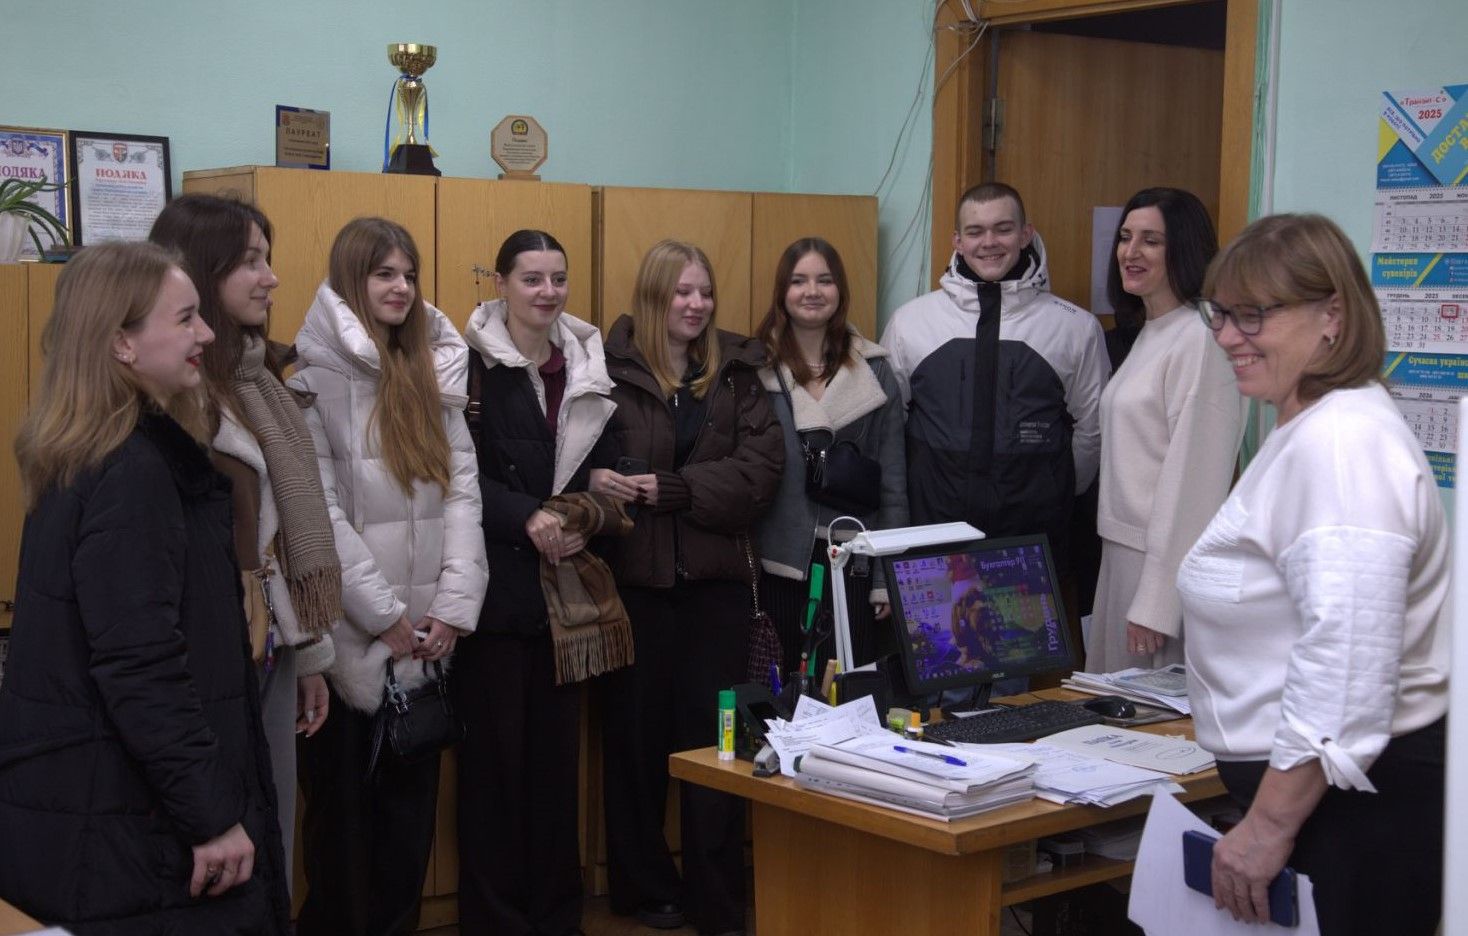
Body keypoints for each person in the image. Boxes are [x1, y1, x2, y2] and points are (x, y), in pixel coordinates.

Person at [0, 242, 289, 934]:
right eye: (185, 318)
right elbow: (141, 666)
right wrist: (212, 815)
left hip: (109, 812)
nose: (207, 334)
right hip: (136, 831)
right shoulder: (132, 472)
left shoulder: (91, 450)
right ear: (120, 343)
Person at [1177, 214, 1447, 935]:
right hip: (1325, 803)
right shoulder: (1308, 425)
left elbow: (1346, 661)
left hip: (1349, 812)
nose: (1227, 336)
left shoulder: (1342, 443)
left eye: (1253, 315)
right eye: (1220, 313)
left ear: (1333, 316)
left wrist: (1268, 827)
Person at [289, 217, 488, 936]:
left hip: (426, 650)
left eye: (408, 274)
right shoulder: (309, 383)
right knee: (342, 844)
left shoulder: (433, 376)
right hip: (347, 649)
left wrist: (453, 608)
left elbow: (463, 497)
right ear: (352, 280)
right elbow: (317, 516)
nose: (401, 287)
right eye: (384, 274)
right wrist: (383, 616)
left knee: (407, 842)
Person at [593, 240, 783, 936]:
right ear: (654, 296)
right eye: (682, 292)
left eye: (704, 292)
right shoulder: (605, 370)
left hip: (715, 592)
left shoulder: (736, 376)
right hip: (634, 589)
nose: (696, 304)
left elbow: (761, 475)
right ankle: (644, 886)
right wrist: (600, 479)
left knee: (718, 747)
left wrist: (674, 489)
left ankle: (716, 897)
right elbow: (581, 460)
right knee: (633, 745)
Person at [149, 194, 340, 883]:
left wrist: (310, 654)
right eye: (251, 262)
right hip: (205, 653)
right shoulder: (176, 393)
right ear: (204, 271)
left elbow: (280, 536)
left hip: (269, 644)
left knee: (270, 837)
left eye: (268, 258)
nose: (271, 277)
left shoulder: (258, 378)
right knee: (220, 843)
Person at [456, 229, 619, 935]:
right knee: (493, 775)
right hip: (492, 597)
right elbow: (454, 475)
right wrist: (526, 514)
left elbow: (607, 467)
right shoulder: (468, 368)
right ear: (499, 284)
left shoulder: (586, 368)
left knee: (556, 774)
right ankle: (495, 922)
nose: (547, 292)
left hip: (565, 603)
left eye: (558, 278)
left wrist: (589, 512)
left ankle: (557, 918)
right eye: (531, 278)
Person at [880, 182, 1108, 569]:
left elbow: (1093, 429)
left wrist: (1056, 490)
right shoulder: (910, 322)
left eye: (1003, 229)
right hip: (934, 534)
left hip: (1031, 539)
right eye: (975, 231)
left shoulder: (1075, 328)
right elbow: (890, 425)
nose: (989, 242)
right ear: (957, 241)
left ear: (1025, 234)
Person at [1083, 187, 1242, 673]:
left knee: (1146, 715)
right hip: (1122, 555)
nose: (1131, 252)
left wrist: (1157, 603)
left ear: (1184, 250)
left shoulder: (1201, 336)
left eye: (1151, 241)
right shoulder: (1154, 330)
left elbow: (1196, 481)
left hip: (1161, 566)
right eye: (1125, 237)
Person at [752, 237, 907, 674]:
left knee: (846, 688)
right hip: (776, 560)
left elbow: (893, 483)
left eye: (824, 280)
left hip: (852, 560)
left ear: (840, 289)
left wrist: (885, 579)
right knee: (780, 688)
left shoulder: (875, 370)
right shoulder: (755, 368)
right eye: (798, 281)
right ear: (782, 292)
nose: (812, 291)